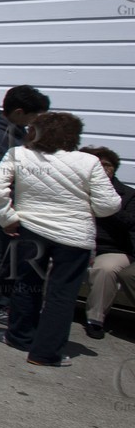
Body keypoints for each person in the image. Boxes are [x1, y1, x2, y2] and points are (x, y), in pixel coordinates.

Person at [0, 112, 121, 367]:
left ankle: (19, 337)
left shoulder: (19, 154)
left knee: (27, 284)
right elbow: (108, 206)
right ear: (73, 135)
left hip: (30, 230)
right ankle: (45, 353)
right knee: (62, 294)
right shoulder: (89, 162)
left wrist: (7, 217)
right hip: (74, 237)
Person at [0, 85, 50, 322]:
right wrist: (5, 207)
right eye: (34, 116)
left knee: (10, 252)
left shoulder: (15, 131)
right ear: (19, 112)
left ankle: (5, 301)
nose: (36, 121)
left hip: (16, 200)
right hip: (3, 202)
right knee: (0, 251)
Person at [80, 146, 135, 340]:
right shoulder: (76, 189)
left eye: (107, 164)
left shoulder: (127, 194)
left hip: (112, 248)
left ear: (114, 168)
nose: (103, 168)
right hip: (77, 243)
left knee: (105, 269)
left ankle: (95, 320)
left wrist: (108, 204)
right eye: (98, 164)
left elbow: (130, 222)